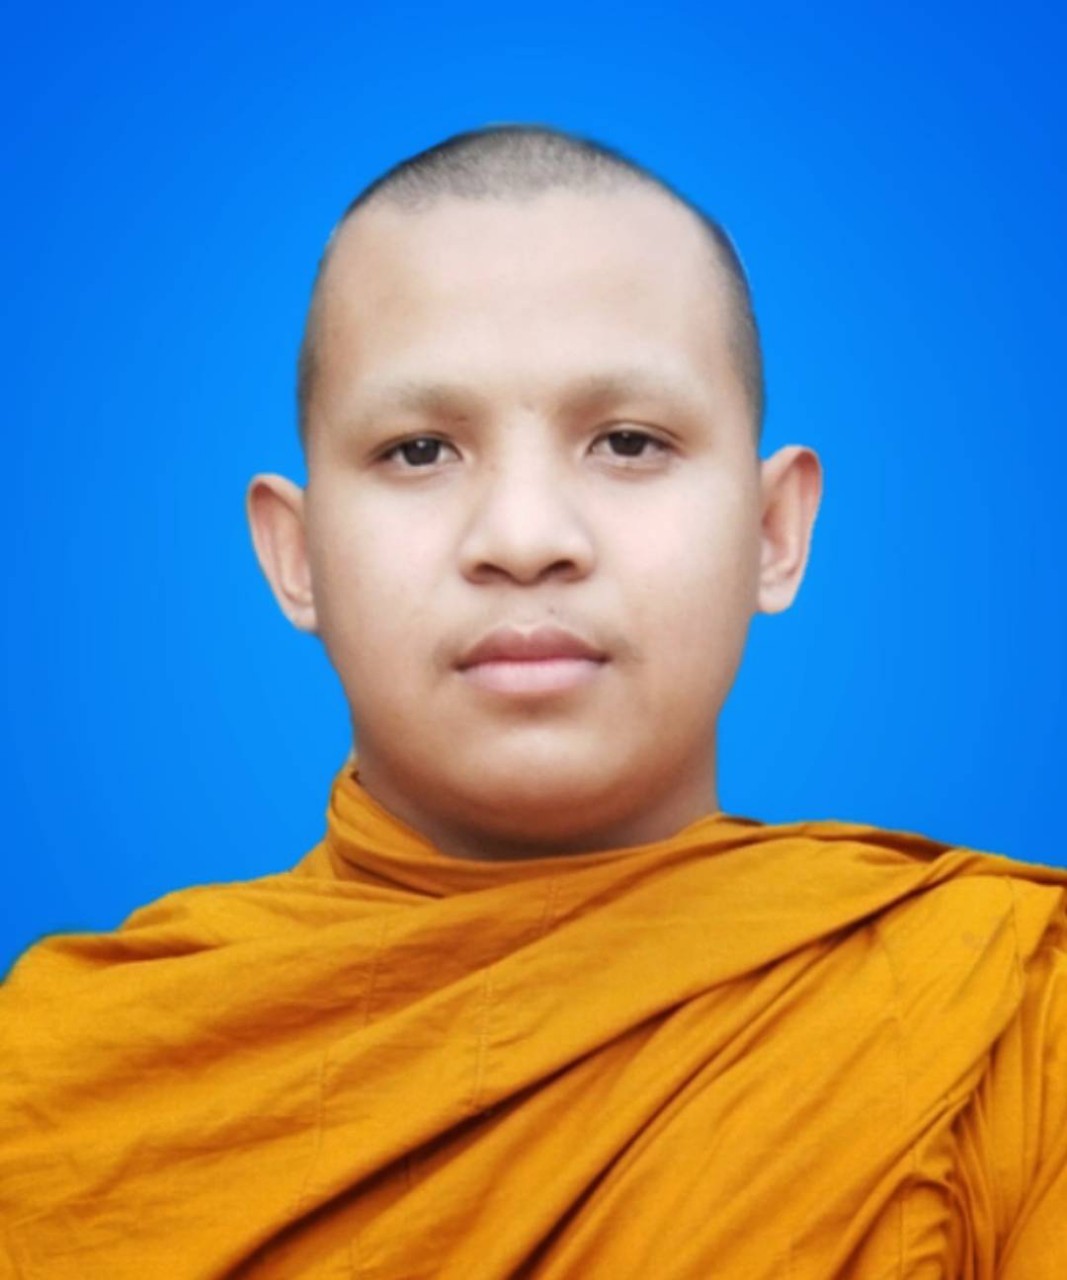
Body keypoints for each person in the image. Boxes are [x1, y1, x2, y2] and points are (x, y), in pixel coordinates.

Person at [2, 124, 1064, 1278]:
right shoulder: (65, 1076)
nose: (522, 537)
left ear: (772, 530)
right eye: (418, 451)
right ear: (295, 556)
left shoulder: (1007, 1014)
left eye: (626, 441)